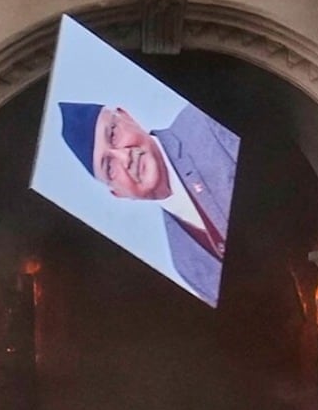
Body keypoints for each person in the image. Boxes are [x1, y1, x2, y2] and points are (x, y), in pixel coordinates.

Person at [58, 100, 239, 306]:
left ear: (127, 116)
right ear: (118, 193)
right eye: (109, 167)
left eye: (113, 134)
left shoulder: (207, 123)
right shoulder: (184, 262)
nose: (125, 158)